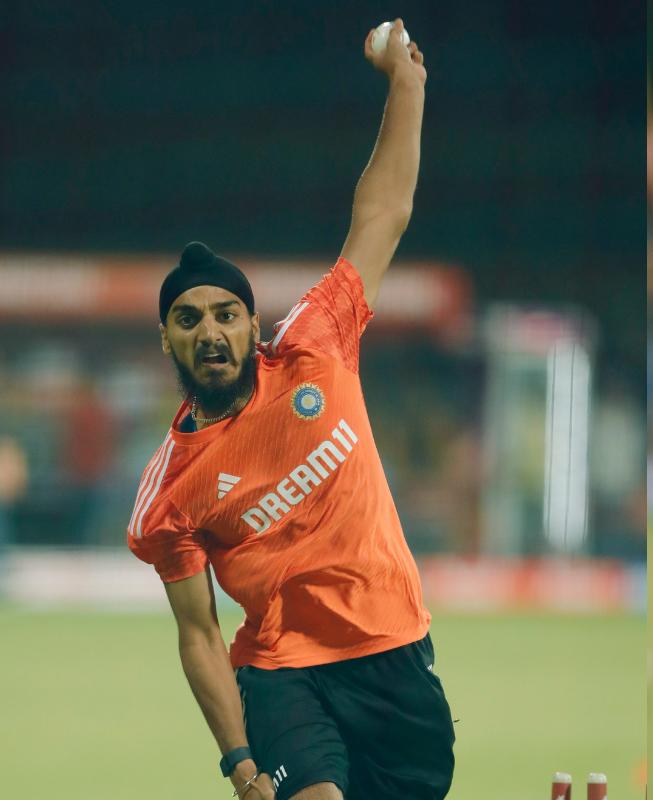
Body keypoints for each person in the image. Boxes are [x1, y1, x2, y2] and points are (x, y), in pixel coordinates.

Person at [126, 21, 453, 800]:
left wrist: (407, 82)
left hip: (396, 651)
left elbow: (384, 212)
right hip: (282, 674)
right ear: (166, 339)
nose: (212, 330)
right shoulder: (166, 497)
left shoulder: (317, 343)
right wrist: (238, 760)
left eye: (227, 314)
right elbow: (200, 634)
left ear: (251, 323)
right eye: (190, 319)